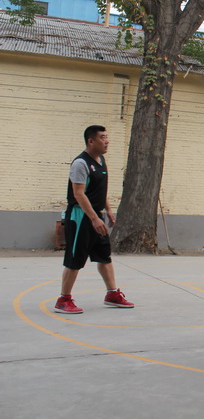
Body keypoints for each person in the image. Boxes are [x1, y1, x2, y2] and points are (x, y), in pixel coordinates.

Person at [54, 125, 134, 314]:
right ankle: (63, 300)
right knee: (75, 258)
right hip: (81, 217)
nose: (107, 141)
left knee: (104, 255)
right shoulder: (80, 164)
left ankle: (112, 294)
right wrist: (94, 219)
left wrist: (108, 210)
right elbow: (79, 194)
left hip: (95, 215)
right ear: (91, 141)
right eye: (102, 137)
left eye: (107, 137)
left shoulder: (101, 160)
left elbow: (99, 190)